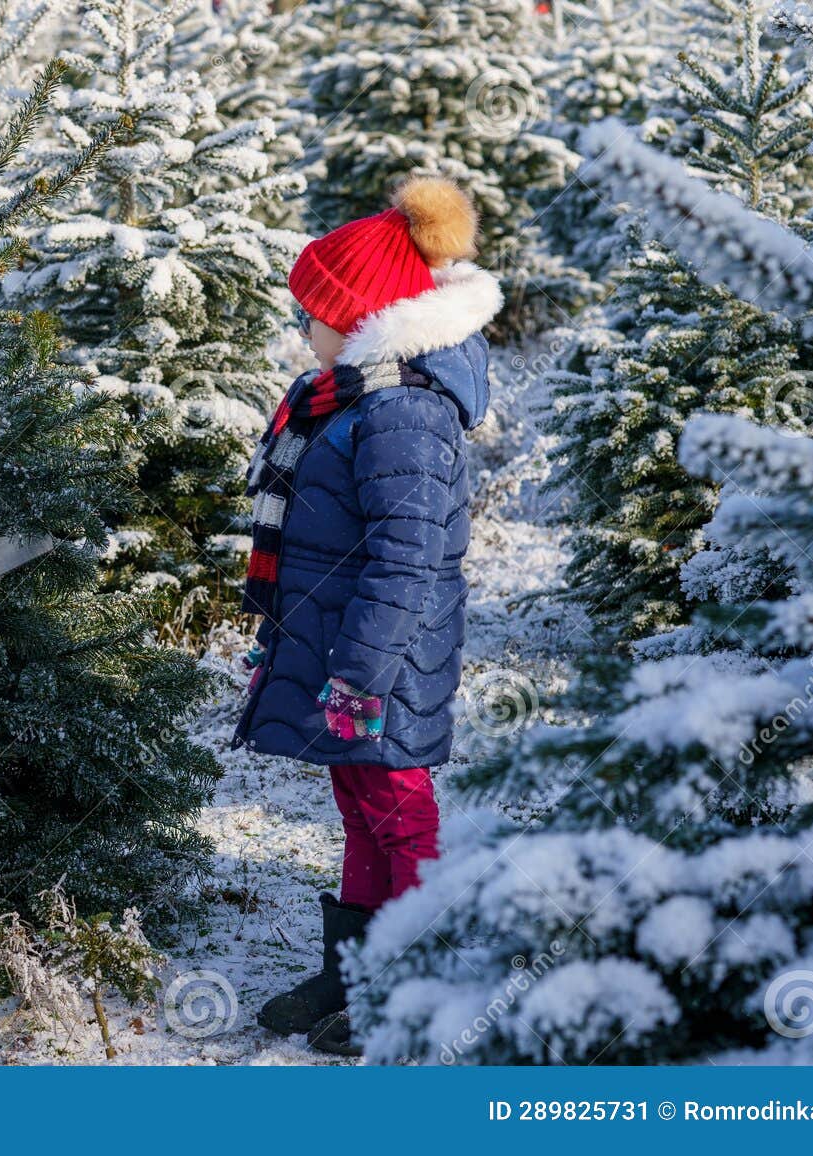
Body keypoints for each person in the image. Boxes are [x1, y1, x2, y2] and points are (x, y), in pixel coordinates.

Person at [233, 178, 502, 1055]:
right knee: (359, 801)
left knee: (397, 804)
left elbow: (410, 559)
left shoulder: (405, 415)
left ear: (359, 318)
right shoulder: (353, 402)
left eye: (311, 312)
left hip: (380, 658)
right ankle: (356, 969)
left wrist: (362, 670)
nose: (301, 328)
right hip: (345, 648)